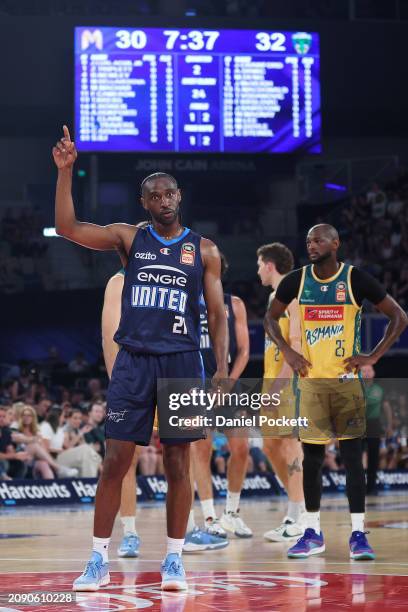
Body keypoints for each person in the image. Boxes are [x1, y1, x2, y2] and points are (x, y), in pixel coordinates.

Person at [53, 126, 228, 591]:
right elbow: (69, 228)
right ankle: (97, 559)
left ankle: (174, 559)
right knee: (115, 461)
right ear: (145, 203)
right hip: (134, 361)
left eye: (171, 192)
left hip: (183, 362)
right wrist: (66, 173)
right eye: (156, 195)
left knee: (177, 463)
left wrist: (222, 371)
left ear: (180, 196)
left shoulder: (204, 250)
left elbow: (217, 314)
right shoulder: (129, 239)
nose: (165, 200)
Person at [264, 223, 408, 560]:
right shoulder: (297, 280)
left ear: (335, 243)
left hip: (346, 385)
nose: (311, 245)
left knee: (352, 461)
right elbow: (271, 319)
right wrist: (287, 350)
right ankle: (312, 532)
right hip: (311, 385)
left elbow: (398, 316)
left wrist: (373, 355)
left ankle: (359, 534)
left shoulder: (355, 279)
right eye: (308, 241)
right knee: (312, 462)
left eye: (318, 240)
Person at [187, 253, 251, 540]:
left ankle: (232, 514)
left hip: (228, 384)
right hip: (193, 385)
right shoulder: (185, 299)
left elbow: (245, 351)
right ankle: (209, 517)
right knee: (201, 451)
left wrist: (228, 382)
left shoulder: (233, 303)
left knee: (241, 449)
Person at [256, 243, 306, 542]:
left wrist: (280, 385)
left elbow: (297, 345)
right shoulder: (275, 297)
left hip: (287, 383)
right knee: (270, 447)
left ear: (271, 265)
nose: (258, 270)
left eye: (260, 264)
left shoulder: (293, 295)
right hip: (271, 380)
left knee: (289, 447)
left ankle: (298, 516)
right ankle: (297, 510)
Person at [101, 268, 141, 558]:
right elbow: (109, 336)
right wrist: (119, 385)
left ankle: (188, 530)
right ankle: (129, 533)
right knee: (125, 459)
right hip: (134, 380)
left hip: (173, 373)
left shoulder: (178, 275)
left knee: (182, 457)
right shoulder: (120, 281)